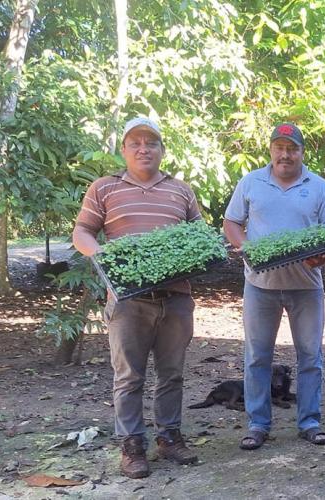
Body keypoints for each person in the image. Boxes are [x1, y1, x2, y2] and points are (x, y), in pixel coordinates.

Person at [73, 117, 201, 479]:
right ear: (125, 150)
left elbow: (199, 237)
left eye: (152, 142)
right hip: (129, 300)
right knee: (129, 376)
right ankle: (132, 445)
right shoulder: (104, 188)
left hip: (176, 298)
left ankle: (170, 437)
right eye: (136, 143)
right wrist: (102, 259)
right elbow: (83, 231)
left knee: (172, 374)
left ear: (162, 149)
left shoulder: (181, 190)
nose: (144, 148)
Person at [223, 122, 325, 450]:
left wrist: (322, 256)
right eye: (280, 147)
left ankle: (309, 422)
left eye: (292, 148)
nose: (285, 154)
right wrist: (244, 247)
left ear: (302, 152)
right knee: (257, 357)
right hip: (260, 286)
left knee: (310, 356)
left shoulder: (319, 187)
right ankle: (258, 424)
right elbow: (232, 222)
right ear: (271, 150)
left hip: (306, 286)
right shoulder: (251, 182)